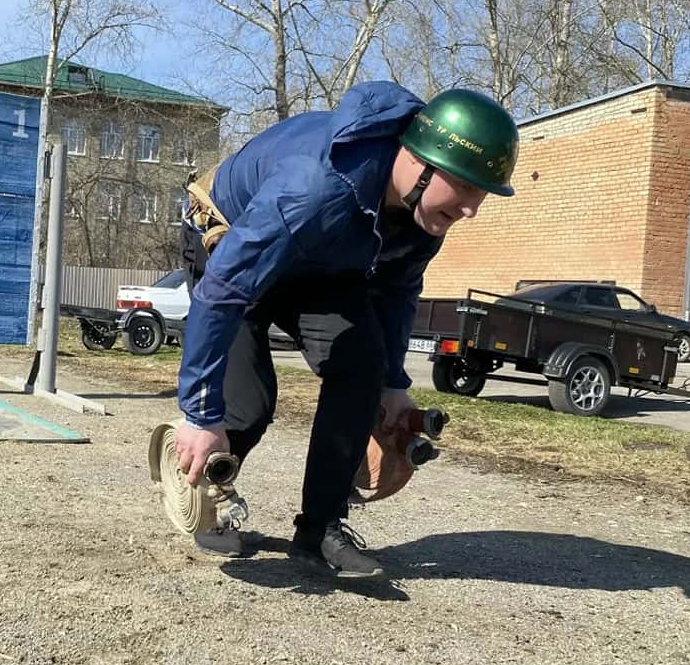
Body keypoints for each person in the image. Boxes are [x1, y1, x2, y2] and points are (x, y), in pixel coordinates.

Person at [174, 82, 518, 579]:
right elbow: (223, 291)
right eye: (463, 187)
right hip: (230, 239)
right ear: (419, 161)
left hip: (317, 259)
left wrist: (393, 385)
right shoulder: (316, 187)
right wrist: (200, 412)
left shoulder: (426, 218)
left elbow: (396, 293)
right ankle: (207, 493)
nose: (471, 210)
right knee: (245, 405)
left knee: (362, 363)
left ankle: (319, 531)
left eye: (481, 196)